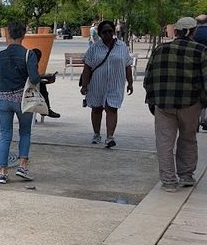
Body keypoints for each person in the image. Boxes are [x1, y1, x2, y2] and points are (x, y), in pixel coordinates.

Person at [144, 17, 207, 191]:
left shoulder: (160, 49)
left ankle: (169, 181)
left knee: (164, 142)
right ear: (193, 31)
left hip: (163, 104)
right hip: (190, 103)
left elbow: (148, 78)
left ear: (176, 31)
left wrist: (151, 100)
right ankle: (186, 176)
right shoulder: (201, 50)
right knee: (188, 138)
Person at [0, 22, 42, 183]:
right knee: (25, 132)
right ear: (23, 35)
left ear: (7, 35)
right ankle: (22, 166)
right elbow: (34, 78)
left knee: (5, 134)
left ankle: (3, 172)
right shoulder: (29, 54)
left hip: (3, 99)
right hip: (23, 100)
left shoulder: (0, 55)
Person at [81, 19, 133, 148]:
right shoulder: (94, 48)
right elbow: (87, 67)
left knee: (112, 109)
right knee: (97, 108)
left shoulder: (122, 47)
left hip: (116, 84)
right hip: (97, 84)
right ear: (100, 33)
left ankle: (110, 137)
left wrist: (130, 83)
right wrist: (84, 85)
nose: (108, 34)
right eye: (104, 32)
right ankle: (96, 134)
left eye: (110, 31)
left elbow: (127, 65)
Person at [28, 48, 61, 119]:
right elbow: (32, 79)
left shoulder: (31, 62)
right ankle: (46, 109)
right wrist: (43, 78)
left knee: (42, 86)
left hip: (29, 85)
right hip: (25, 87)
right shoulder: (30, 63)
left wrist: (45, 79)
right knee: (42, 88)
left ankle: (46, 109)